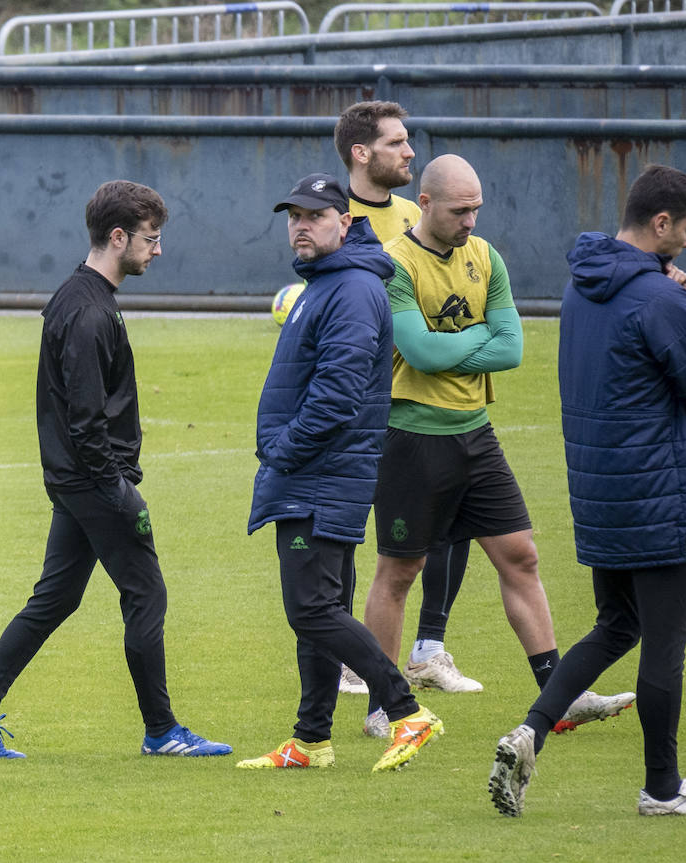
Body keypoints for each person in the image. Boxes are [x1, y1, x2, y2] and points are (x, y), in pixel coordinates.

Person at [489, 164, 686, 817]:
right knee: (663, 640)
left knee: (617, 623)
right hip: (658, 493)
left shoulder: (585, 286)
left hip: (601, 493)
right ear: (659, 223)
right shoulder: (660, 298)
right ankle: (663, 789)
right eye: (685, 230)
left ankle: (532, 729)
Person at [0, 180, 229, 760]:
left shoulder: (84, 297)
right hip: (94, 483)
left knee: (54, 599)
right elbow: (85, 417)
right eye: (150, 240)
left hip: (76, 481)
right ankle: (162, 732)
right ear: (117, 237)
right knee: (146, 595)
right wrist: (120, 491)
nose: (158, 251)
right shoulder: (88, 311)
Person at [360, 154, 635, 738]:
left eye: (477, 209)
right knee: (399, 571)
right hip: (412, 437)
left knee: (521, 555)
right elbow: (424, 355)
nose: (471, 221)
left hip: (475, 434)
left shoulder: (485, 257)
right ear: (426, 203)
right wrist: (475, 336)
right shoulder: (394, 265)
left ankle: (559, 695)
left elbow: (511, 349)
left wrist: (455, 341)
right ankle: (383, 706)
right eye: (460, 210)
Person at [238, 173, 442, 772]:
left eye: (315, 215)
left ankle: (407, 712)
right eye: (293, 216)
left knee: (311, 610)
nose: (301, 225)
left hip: (319, 476)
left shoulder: (350, 288)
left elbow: (338, 395)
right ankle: (310, 741)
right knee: (320, 611)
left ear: (345, 224)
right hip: (319, 473)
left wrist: (281, 450)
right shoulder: (328, 284)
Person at [334, 100, 478, 696]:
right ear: (362, 153)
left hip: (432, 399)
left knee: (451, 524)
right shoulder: (326, 215)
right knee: (347, 529)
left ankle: (429, 648)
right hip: (363, 406)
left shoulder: (418, 213)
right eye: (397, 142)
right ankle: (349, 655)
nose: (410, 152)